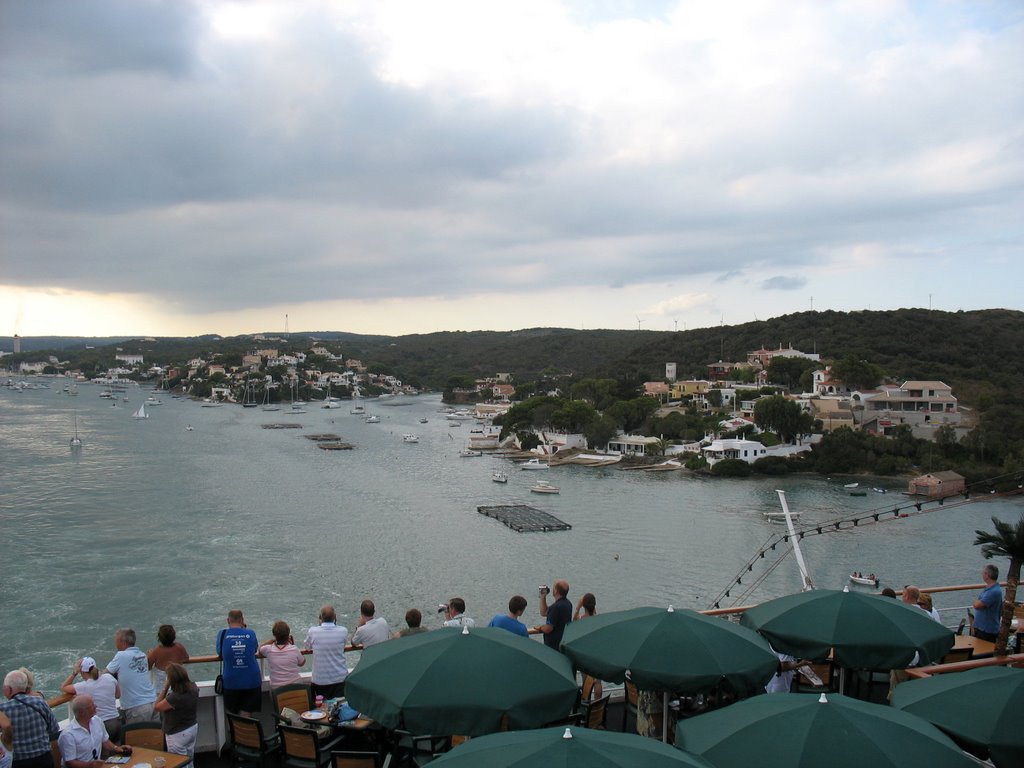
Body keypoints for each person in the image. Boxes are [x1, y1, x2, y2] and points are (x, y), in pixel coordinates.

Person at [1, 669, 61, 768]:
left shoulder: (3, 709)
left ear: (9, 690)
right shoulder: (40, 702)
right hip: (44, 759)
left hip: (18, 762)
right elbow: (54, 730)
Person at [57, 695, 130, 768]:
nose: (96, 706)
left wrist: (118, 749)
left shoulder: (97, 720)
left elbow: (105, 741)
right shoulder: (68, 735)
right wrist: (90, 765)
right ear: (82, 712)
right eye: (91, 706)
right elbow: (70, 762)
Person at [60, 658, 121, 742]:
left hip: (101, 725)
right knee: (117, 750)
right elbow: (118, 695)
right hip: (116, 721)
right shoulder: (109, 677)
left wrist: (75, 672)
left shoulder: (84, 686)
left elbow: (63, 687)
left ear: (82, 672)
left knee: (103, 753)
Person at [106, 628, 156, 723]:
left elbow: (105, 674)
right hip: (152, 702)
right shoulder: (142, 655)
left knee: (136, 737)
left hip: (137, 707)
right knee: (152, 736)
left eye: (117, 641)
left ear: (123, 642)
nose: (115, 644)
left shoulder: (121, 655)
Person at [217, 609, 262, 716]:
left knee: (233, 715)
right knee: (246, 715)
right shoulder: (250, 633)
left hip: (231, 680)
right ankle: (247, 731)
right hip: (251, 680)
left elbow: (220, 652)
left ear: (228, 620)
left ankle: (235, 731)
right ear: (242, 620)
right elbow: (255, 649)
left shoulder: (222, 634)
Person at [153, 663, 199, 759]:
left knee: (178, 761)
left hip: (177, 733)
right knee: (189, 759)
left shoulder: (175, 697)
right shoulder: (194, 688)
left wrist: (165, 687)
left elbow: (157, 707)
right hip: (191, 727)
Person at [303, 605, 349, 699]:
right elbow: (343, 645)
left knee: (320, 710)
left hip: (320, 681)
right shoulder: (343, 631)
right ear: (335, 617)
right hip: (340, 679)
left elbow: (307, 647)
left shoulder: (313, 631)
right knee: (340, 708)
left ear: (321, 618)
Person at [259, 621, 305, 688]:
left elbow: (260, 648)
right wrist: (292, 645)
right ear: (288, 635)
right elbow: (302, 663)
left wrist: (273, 640)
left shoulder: (268, 649)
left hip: (277, 689)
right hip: (295, 686)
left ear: (274, 635)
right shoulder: (294, 649)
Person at [147, 624, 189, 692]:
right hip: (177, 684)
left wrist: (149, 654)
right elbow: (186, 658)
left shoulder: (156, 651)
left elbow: (148, 666)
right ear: (174, 636)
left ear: (159, 638)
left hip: (161, 686)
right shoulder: (179, 647)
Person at [535, 580, 572, 649]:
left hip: (553, 647)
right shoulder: (567, 604)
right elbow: (544, 612)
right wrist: (543, 597)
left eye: (553, 587)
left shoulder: (556, 607)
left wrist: (540, 628)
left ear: (556, 591)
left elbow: (548, 629)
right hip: (562, 642)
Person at [972, 564, 1003, 642]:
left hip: (987, 630)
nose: (982, 575)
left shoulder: (993, 591)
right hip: (982, 628)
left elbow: (977, 605)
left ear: (987, 575)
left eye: (983, 573)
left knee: (984, 652)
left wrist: (976, 602)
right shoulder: (989, 589)